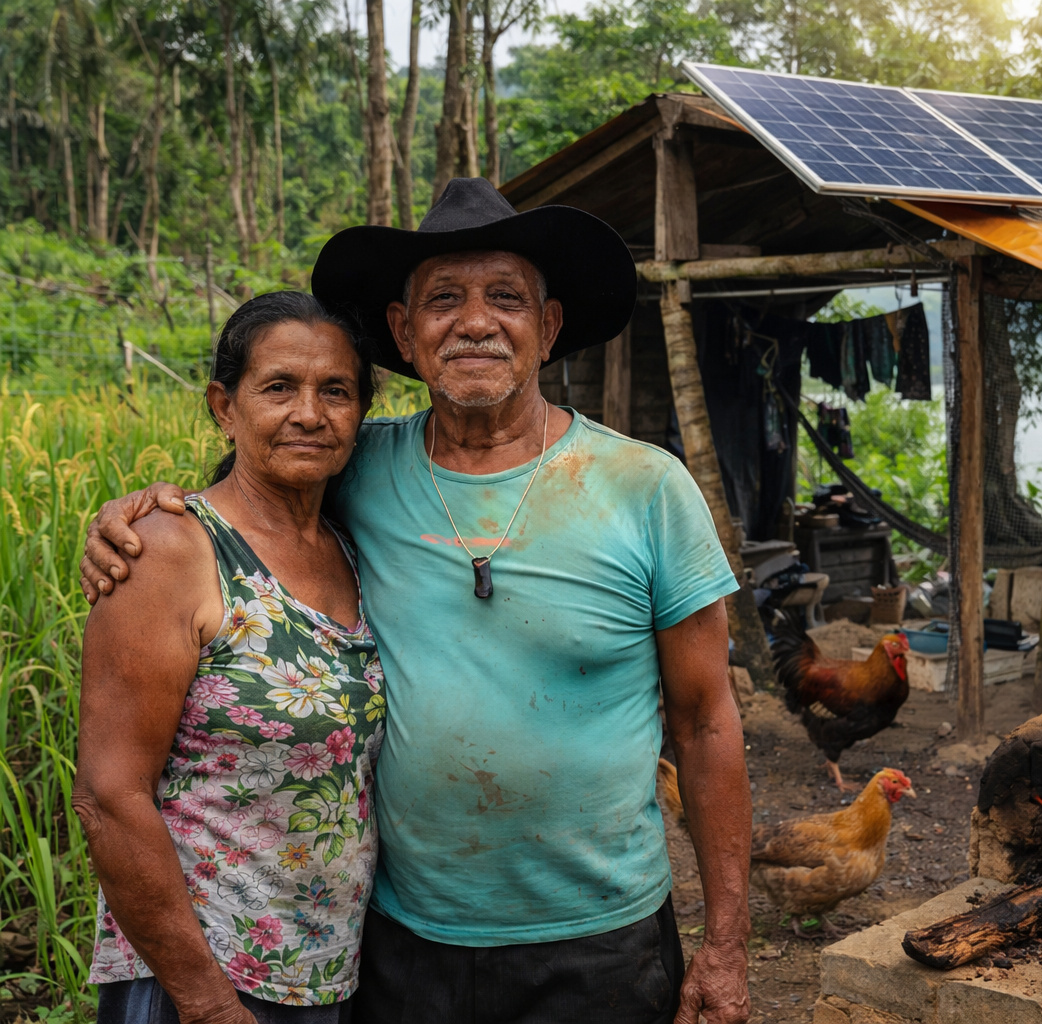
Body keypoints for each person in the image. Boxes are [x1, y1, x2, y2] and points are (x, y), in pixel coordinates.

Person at [81, 178, 754, 1024]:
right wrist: (138, 514)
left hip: (601, 942)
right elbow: (251, 500)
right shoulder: (360, 466)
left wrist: (727, 944)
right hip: (401, 945)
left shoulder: (645, 486)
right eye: (444, 299)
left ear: (547, 327)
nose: (475, 321)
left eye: (506, 297)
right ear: (404, 331)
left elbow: (707, 720)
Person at [75, 292, 386, 1024]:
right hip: (200, 978)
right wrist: (209, 1004)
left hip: (322, 973)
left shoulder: (349, 545)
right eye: (279, 387)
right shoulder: (171, 551)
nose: (310, 413)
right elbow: (109, 797)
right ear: (225, 405)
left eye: (335, 391)